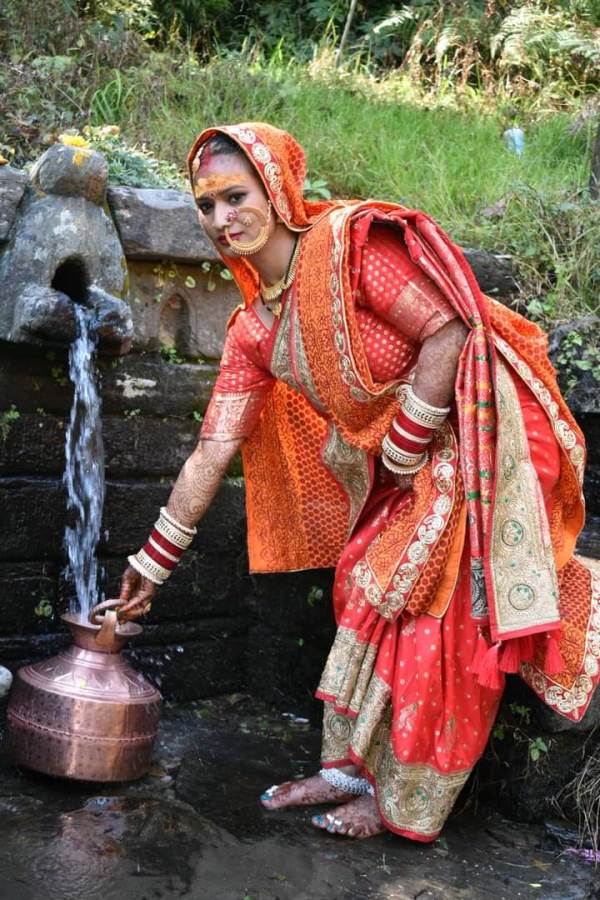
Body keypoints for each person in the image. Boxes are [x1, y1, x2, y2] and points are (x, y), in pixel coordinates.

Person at [119, 122, 599, 842]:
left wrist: (405, 445)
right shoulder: (255, 330)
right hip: (416, 449)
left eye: (235, 196)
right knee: (360, 578)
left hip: (483, 418)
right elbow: (210, 453)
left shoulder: (349, 249)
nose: (222, 219)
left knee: (432, 604)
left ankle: (409, 801)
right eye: (206, 205)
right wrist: (149, 565)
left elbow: (449, 332)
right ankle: (350, 765)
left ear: (279, 189)